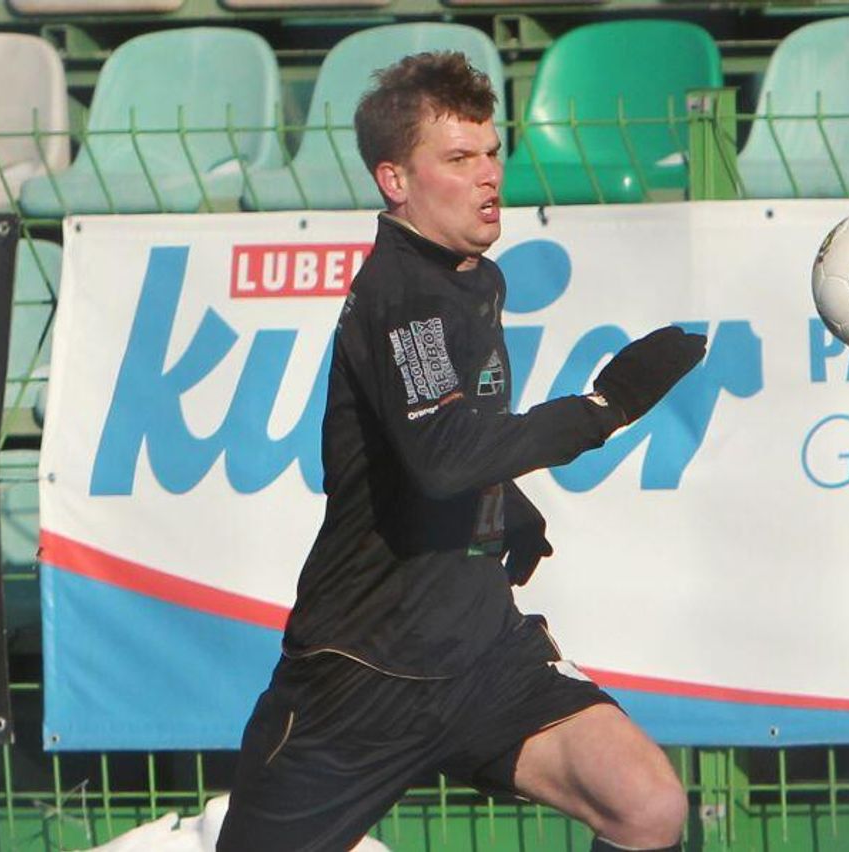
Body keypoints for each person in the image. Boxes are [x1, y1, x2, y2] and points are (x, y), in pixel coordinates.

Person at [217, 50, 707, 852]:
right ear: (395, 181)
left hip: (482, 656)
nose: (487, 176)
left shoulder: (471, 275)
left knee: (646, 805)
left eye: (491, 153)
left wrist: (502, 506)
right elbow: (443, 455)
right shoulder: (400, 294)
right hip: (362, 673)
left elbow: (429, 440)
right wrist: (603, 408)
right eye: (457, 159)